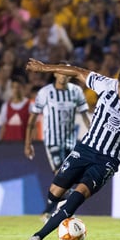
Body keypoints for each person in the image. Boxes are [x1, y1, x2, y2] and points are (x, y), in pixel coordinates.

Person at [25, 58, 120, 240]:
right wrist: (45, 68)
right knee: (54, 193)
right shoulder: (106, 85)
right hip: (86, 149)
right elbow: (77, 71)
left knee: (78, 196)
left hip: (108, 160)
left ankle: (36, 238)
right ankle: (62, 207)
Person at [24, 61, 91, 223]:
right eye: (62, 72)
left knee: (69, 178)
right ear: (55, 73)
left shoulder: (76, 92)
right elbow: (32, 119)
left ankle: (48, 211)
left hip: (70, 141)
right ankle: (61, 211)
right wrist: (28, 143)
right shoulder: (45, 93)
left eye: (68, 73)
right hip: (52, 140)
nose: (64, 75)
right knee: (62, 175)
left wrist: (93, 135)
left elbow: (85, 116)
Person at [0, 76, 30, 141]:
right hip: (8, 143)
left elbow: (33, 127)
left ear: (23, 88)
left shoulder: (30, 105)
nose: (16, 90)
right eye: (13, 87)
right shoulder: (5, 106)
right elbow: (3, 127)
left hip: (23, 143)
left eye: (18, 87)